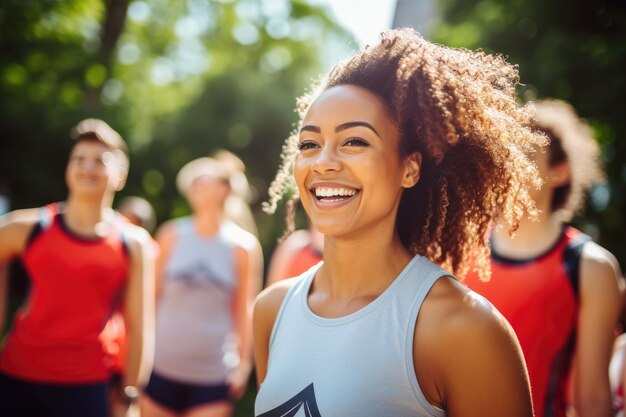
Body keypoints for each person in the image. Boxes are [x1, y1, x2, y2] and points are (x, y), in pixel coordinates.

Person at [253, 28, 546, 416]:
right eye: (309, 144)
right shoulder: (272, 310)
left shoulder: (463, 327)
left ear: (409, 168)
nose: (322, 161)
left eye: (354, 141)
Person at [464, 99, 623, 417]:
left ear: (559, 172)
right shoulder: (457, 247)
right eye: (502, 152)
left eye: (525, 153)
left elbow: (592, 399)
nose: (508, 163)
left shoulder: (591, 266)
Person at [0, 119, 154, 417]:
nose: (87, 167)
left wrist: (129, 396)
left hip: (87, 385)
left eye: (100, 161)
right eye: (79, 159)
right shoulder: (28, 226)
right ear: (68, 168)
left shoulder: (132, 243)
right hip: (16, 378)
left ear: (119, 176)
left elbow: (141, 327)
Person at [141, 156, 263, 417]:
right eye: (192, 181)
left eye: (203, 178)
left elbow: (244, 308)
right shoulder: (170, 234)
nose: (195, 184)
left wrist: (243, 366)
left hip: (213, 375)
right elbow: (149, 298)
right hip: (160, 367)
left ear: (224, 189)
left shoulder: (244, 247)